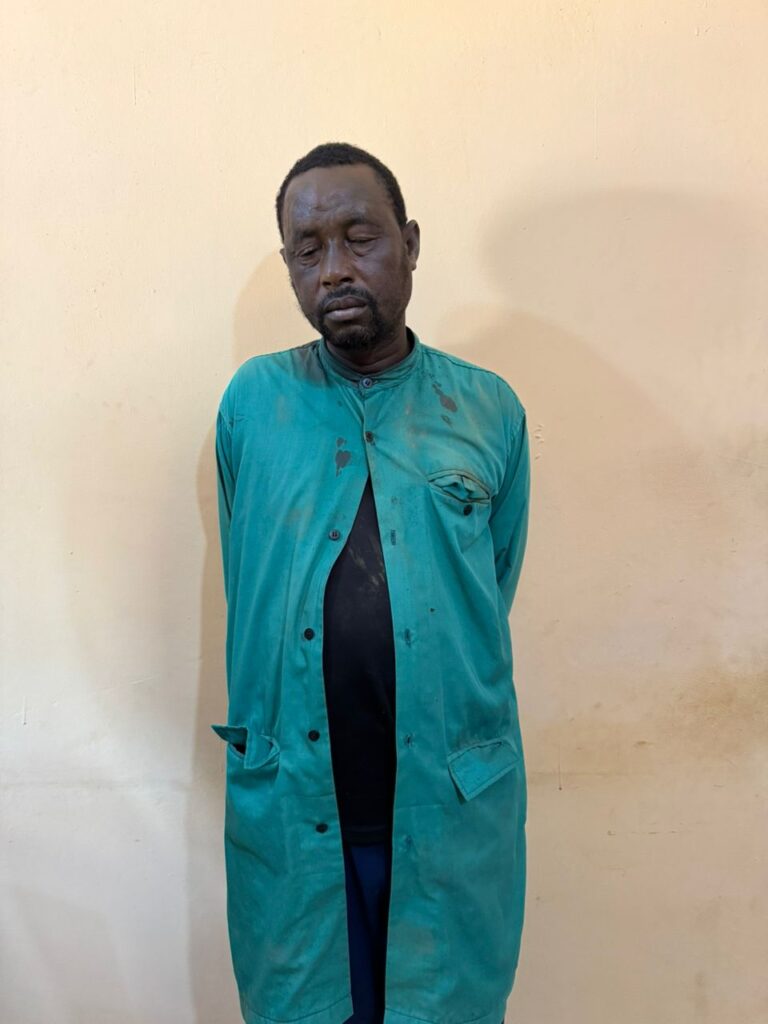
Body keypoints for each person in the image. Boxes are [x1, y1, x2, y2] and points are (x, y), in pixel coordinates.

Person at [213, 142, 530, 1024]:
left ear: (410, 242)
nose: (335, 270)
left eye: (360, 238)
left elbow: (491, 585)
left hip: (449, 804)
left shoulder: (488, 409)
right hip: (294, 806)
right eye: (307, 250)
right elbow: (250, 581)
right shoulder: (253, 404)